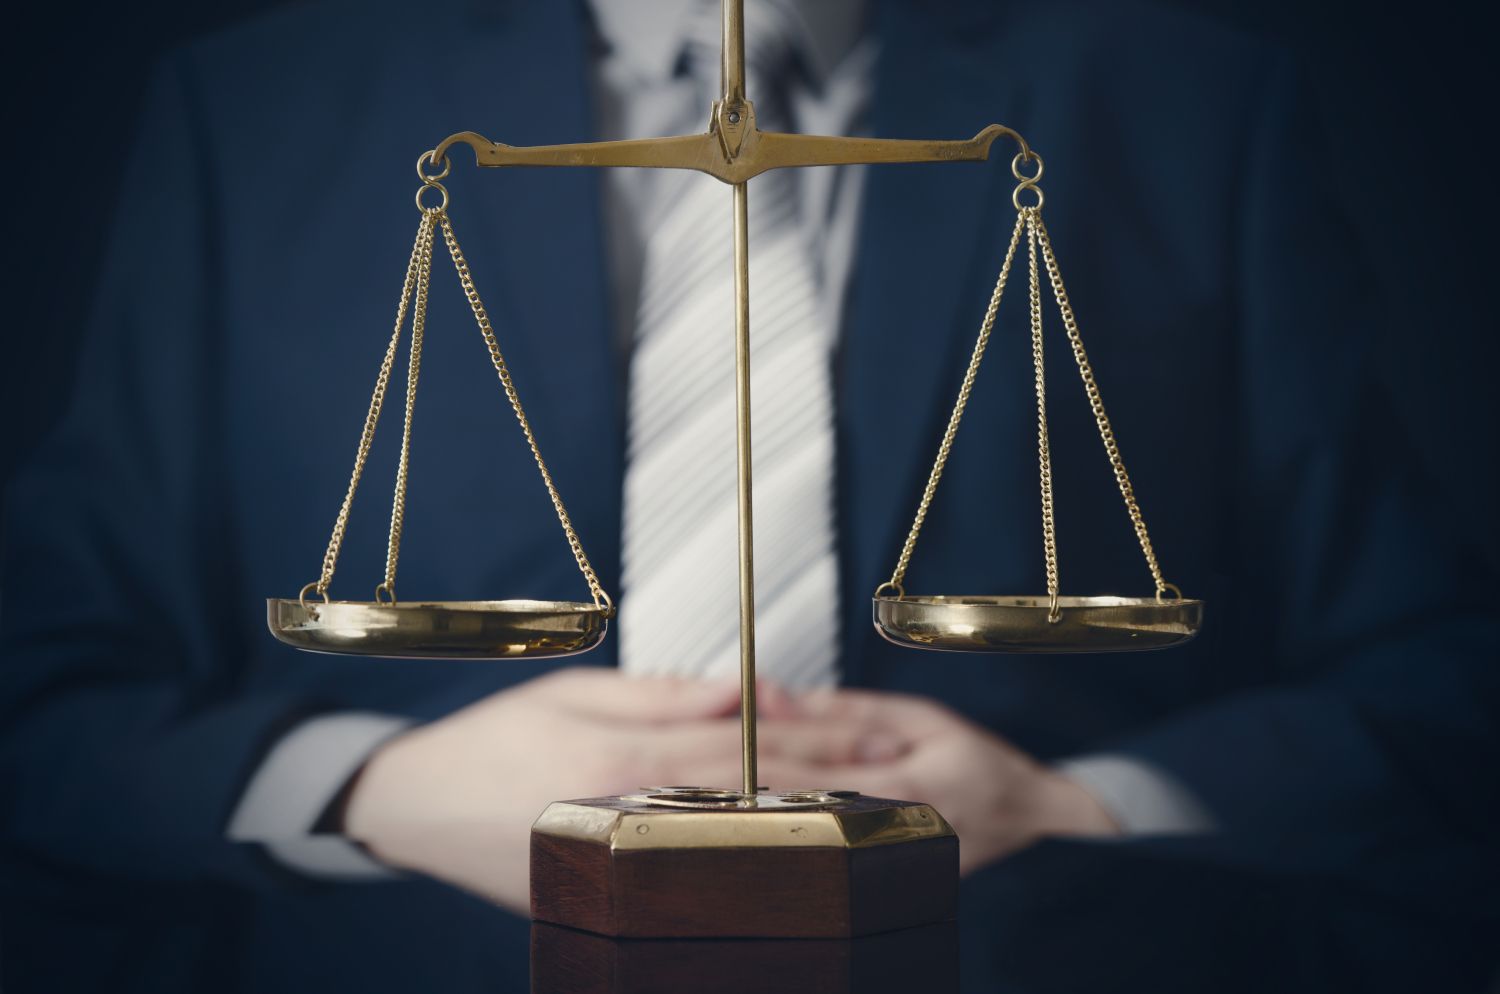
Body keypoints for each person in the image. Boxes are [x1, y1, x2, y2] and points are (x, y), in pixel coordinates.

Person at [2, 1, 1495, 991]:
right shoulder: (256, 111)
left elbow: (1438, 688)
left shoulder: (1185, 105)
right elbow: (41, 695)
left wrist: (1066, 803)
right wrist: (371, 789)